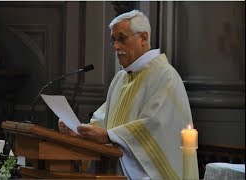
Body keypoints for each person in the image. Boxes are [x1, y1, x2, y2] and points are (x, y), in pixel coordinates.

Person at [58, 10, 196, 179]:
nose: (116, 46)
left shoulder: (165, 76)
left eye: (122, 39)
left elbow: (155, 126)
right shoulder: (121, 78)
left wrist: (109, 136)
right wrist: (78, 132)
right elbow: (104, 121)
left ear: (143, 38)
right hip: (114, 170)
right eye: (113, 40)